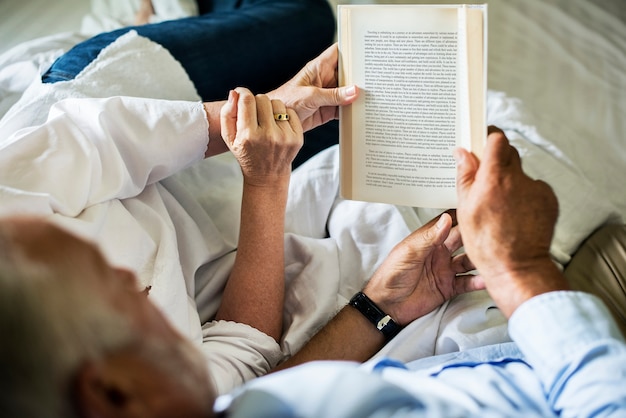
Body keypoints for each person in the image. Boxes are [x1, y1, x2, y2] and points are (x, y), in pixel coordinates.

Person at [2, 127, 625, 417]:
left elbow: (249, 394)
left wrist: (379, 307)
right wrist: (524, 267)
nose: (137, 281)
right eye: (120, 290)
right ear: (110, 392)